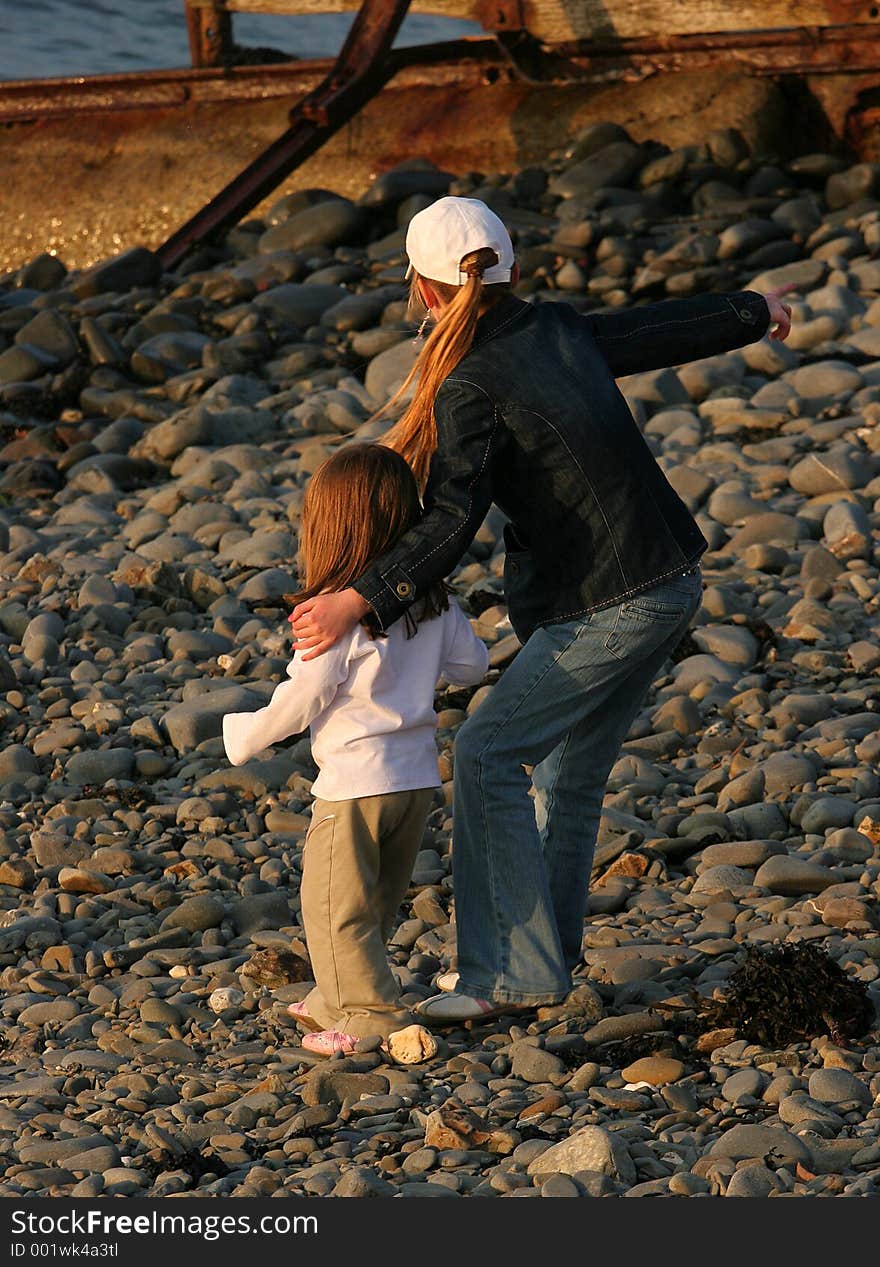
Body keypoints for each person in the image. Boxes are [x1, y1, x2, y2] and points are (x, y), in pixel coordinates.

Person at [288, 196, 794, 1025]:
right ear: (509, 267)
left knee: (488, 751)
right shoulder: (554, 328)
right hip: (668, 577)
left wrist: (357, 596)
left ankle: (506, 975)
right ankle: (542, 963)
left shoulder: (467, 383)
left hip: (615, 601)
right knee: (567, 769)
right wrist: (752, 309)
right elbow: (653, 329)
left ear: (423, 290)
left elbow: (453, 519)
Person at [221, 442, 489, 1053]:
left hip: (353, 788)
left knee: (333, 907)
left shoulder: (333, 614)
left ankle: (366, 1018)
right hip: (416, 782)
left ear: (328, 529)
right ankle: (330, 997)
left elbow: (305, 694)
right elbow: (472, 667)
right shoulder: (433, 600)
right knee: (376, 900)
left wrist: (247, 734)